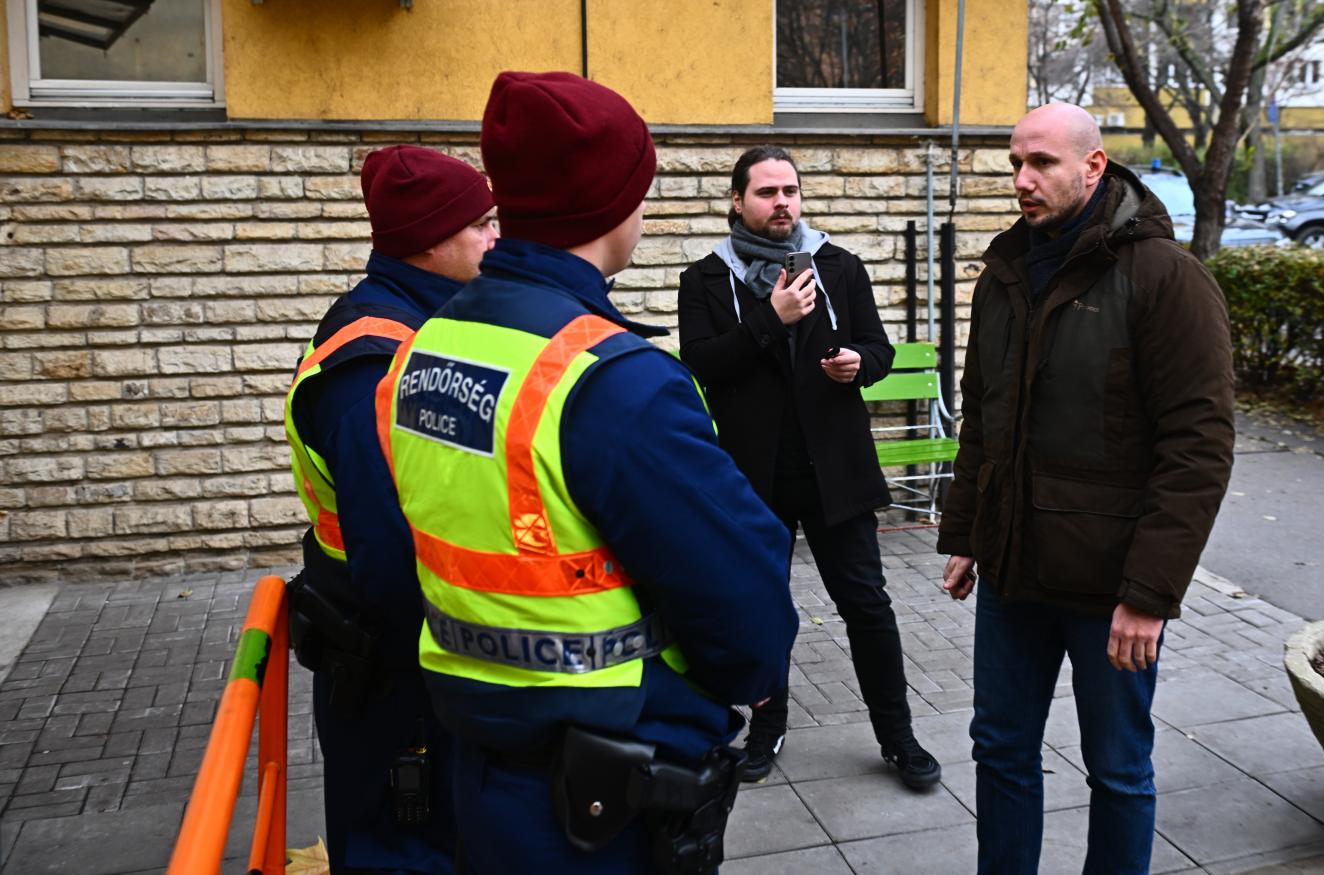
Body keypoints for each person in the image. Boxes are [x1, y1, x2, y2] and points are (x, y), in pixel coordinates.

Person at [376, 72, 798, 875]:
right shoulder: (614, 380)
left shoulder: (426, 341)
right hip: (604, 795)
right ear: (616, 204)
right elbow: (745, 608)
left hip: (481, 758)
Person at [937, 103, 1234, 874]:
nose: (1023, 179)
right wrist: (968, 531)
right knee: (1000, 751)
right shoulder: (1004, 274)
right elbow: (984, 417)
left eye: (1041, 162)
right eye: (1015, 163)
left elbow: (1198, 447)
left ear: (1094, 165)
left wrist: (1150, 593)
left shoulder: (1166, 278)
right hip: (1012, 572)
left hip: (1110, 588)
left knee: (1119, 769)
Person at [675, 145, 941, 791]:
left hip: (835, 471)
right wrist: (771, 319)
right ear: (737, 200)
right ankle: (768, 727)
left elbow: (878, 347)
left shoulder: (838, 266)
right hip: (752, 477)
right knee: (762, 609)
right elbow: (703, 364)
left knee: (867, 606)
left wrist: (859, 363)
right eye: (766, 192)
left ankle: (898, 736)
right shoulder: (704, 279)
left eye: (789, 190)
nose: (782, 203)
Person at [284, 144, 498, 873]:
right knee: (404, 845)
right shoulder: (375, 363)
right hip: (392, 665)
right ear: (430, 240)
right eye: (482, 225)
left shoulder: (412, 322)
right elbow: (393, 558)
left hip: (393, 652)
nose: (497, 237)